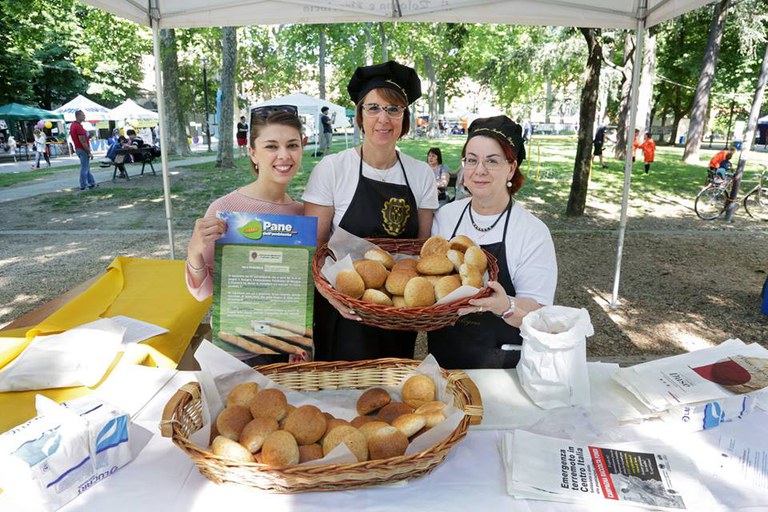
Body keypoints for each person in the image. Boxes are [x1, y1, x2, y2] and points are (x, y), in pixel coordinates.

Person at [303, 60, 439, 361]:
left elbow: (422, 250)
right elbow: (313, 250)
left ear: (404, 119)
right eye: (373, 108)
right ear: (360, 116)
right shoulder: (333, 169)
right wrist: (329, 294)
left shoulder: (420, 174)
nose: (383, 119)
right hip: (342, 308)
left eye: (393, 109)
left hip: (397, 311)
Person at [428, 115, 557, 369]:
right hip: (445, 363)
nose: (479, 170)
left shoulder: (532, 232)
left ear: (511, 167)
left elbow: (540, 316)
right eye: (472, 160)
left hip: (503, 369)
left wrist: (505, 306)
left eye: (492, 161)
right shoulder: (446, 217)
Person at [186, 107, 305, 362]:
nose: (284, 156)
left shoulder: (303, 213)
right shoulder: (224, 209)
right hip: (239, 352)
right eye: (271, 146)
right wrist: (194, 251)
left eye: (292, 145)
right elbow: (202, 292)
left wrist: (301, 341)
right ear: (253, 153)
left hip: (289, 349)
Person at [69, 110, 96, 190]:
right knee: (84, 168)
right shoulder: (78, 126)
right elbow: (82, 140)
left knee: (86, 167)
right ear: (78, 116)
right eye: (83, 115)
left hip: (78, 148)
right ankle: (83, 185)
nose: (84, 117)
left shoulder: (73, 125)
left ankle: (91, 183)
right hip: (82, 149)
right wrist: (88, 151)